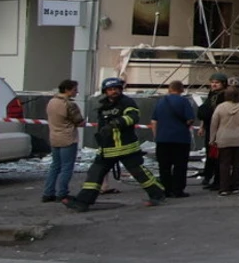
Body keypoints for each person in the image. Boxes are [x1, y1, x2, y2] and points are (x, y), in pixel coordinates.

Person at [66, 78, 167, 210]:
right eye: (110, 89)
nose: (114, 91)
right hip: (108, 149)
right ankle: (83, 202)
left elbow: (133, 116)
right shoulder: (104, 105)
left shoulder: (126, 102)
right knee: (95, 174)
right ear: (105, 91)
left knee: (139, 172)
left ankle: (158, 194)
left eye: (116, 89)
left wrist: (116, 123)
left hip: (125, 147)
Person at [149, 80, 199, 198]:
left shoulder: (161, 102)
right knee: (180, 166)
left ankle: (166, 189)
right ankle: (178, 190)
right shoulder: (184, 101)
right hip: (180, 139)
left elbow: (153, 121)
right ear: (181, 89)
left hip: (162, 139)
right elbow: (190, 119)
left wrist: (157, 136)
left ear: (169, 89)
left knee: (164, 166)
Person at [43, 79, 82, 204]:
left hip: (54, 137)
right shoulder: (69, 104)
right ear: (67, 90)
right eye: (75, 89)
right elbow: (79, 121)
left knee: (55, 166)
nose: (77, 92)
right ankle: (62, 193)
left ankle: (48, 193)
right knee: (67, 167)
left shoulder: (51, 102)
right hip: (68, 138)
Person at [210, 79, 239, 195]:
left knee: (224, 164)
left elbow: (214, 125)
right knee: (238, 164)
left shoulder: (220, 108)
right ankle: (235, 186)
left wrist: (212, 139)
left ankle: (224, 188)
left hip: (224, 138)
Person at [196, 72, 230, 190]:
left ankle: (219, 181)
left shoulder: (225, 95)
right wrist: (202, 126)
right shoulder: (212, 94)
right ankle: (210, 177)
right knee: (211, 154)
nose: (214, 85)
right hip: (211, 127)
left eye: (217, 83)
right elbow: (206, 112)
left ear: (223, 84)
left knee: (218, 156)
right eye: (212, 82)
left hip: (220, 129)